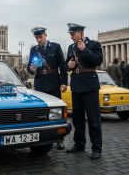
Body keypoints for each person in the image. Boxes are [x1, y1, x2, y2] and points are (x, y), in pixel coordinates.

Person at [65, 23, 103, 160]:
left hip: (90, 85)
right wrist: (68, 66)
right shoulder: (71, 47)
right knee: (77, 119)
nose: (71, 36)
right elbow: (67, 65)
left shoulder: (93, 44)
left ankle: (96, 148)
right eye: (70, 34)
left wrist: (85, 49)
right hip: (76, 86)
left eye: (73, 34)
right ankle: (79, 144)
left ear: (81, 33)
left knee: (93, 119)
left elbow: (98, 60)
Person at [27, 27, 67, 150]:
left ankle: (59, 139)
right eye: (37, 37)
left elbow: (62, 66)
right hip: (40, 84)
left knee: (56, 112)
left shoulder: (55, 47)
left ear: (45, 35)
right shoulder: (34, 50)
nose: (39, 39)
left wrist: (64, 82)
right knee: (40, 112)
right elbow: (29, 68)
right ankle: (41, 136)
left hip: (54, 83)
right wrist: (32, 68)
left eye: (41, 37)